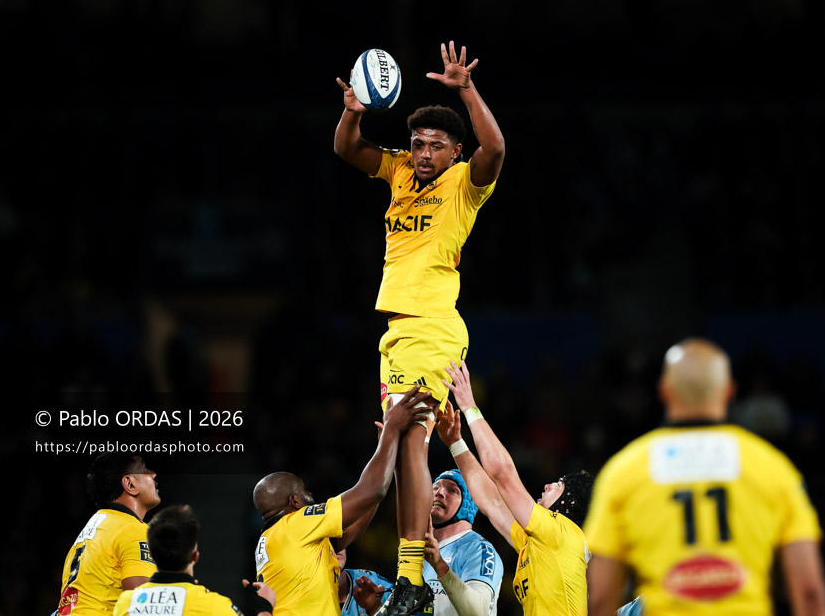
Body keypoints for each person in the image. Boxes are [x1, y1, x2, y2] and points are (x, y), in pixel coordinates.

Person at [334, 40, 506, 615]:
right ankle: (409, 578)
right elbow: (347, 149)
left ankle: (410, 576)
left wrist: (465, 90)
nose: (424, 152)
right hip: (397, 334)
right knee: (409, 440)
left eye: (436, 145)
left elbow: (496, 146)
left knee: (411, 439)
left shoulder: (465, 185)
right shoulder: (401, 172)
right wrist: (355, 107)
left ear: (455, 151)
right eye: (418, 143)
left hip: (431, 329)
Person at [582, 338, 825, 615]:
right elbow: (809, 593)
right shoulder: (774, 469)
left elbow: (602, 598)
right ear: (729, 391)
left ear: (664, 391)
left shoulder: (623, 472)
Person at [252, 387, 432, 615]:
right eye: (305, 492)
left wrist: (388, 450)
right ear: (294, 502)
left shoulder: (277, 540)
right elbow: (372, 490)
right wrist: (392, 429)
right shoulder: (295, 524)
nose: (312, 497)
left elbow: (356, 520)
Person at [439, 361, 594, 615]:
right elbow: (492, 502)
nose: (547, 485)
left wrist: (469, 407)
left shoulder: (562, 534)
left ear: (571, 503)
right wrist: (456, 442)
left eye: (557, 486)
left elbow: (502, 474)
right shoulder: (537, 541)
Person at [353, 469, 504, 616]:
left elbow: (478, 612)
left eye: (452, 490)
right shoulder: (417, 550)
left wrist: (439, 564)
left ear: (468, 505)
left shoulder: (480, 548)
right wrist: (376, 609)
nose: (439, 493)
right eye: (435, 488)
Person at [113, 504, 277, 615]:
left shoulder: (125, 604)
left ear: (150, 553)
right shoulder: (216, 606)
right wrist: (264, 609)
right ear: (195, 556)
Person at [57, 452, 160, 615]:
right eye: (145, 470)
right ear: (130, 484)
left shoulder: (91, 531)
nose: (153, 474)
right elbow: (144, 605)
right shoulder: (132, 529)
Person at [335, 548, 393, 616]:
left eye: (339, 537)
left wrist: (375, 609)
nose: (333, 545)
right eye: (321, 539)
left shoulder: (376, 585)